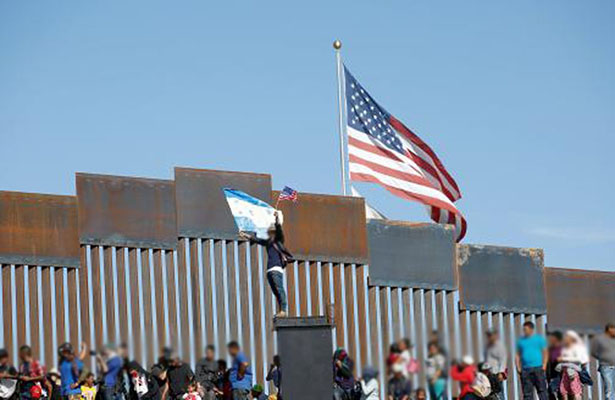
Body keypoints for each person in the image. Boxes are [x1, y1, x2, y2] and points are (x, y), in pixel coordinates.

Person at [240, 211, 293, 318]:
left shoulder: (279, 240)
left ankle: (283, 310)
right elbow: (257, 240)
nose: (270, 234)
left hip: (276, 269)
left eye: (271, 232)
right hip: (269, 271)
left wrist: (277, 218)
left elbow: (278, 228)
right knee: (276, 292)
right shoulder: (268, 242)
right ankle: (281, 311)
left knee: (279, 289)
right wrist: (245, 235)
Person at [516, 321, 548, 400]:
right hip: (525, 369)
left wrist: (544, 365)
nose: (524, 331)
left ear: (531, 329)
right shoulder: (521, 341)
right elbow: (517, 354)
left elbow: (545, 352)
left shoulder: (539, 339)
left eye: (526, 329)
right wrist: (518, 367)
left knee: (542, 390)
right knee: (527, 393)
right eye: (523, 329)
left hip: (538, 368)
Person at [556, 330, 588, 400]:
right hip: (565, 372)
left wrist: (566, 359)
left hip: (574, 371)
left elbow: (583, 360)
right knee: (563, 390)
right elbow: (559, 359)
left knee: (575, 390)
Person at [591, 322, 615, 400]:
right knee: (609, 388)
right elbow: (594, 352)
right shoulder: (599, 339)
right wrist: (603, 357)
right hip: (606, 367)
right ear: (609, 329)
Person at [547, 331, 564, 399]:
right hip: (553, 373)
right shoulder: (551, 349)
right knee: (552, 391)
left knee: (558, 391)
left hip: (560, 374)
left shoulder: (562, 348)